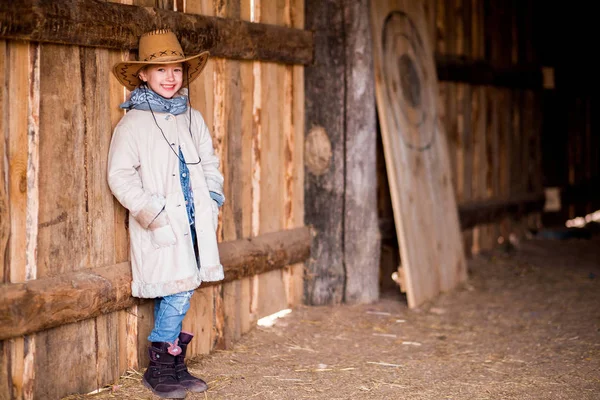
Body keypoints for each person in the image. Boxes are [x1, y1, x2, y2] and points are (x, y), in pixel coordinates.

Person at [107, 29, 225, 399]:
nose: (171, 78)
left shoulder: (192, 117)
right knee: (178, 291)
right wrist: (153, 213)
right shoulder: (133, 124)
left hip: (194, 221)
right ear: (143, 74)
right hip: (163, 221)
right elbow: (119, 176)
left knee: (181, 288)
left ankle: (172, 365)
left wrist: (213, 197)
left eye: (176, 70)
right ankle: (161, 366)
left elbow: (208, 160)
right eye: (161, 71)